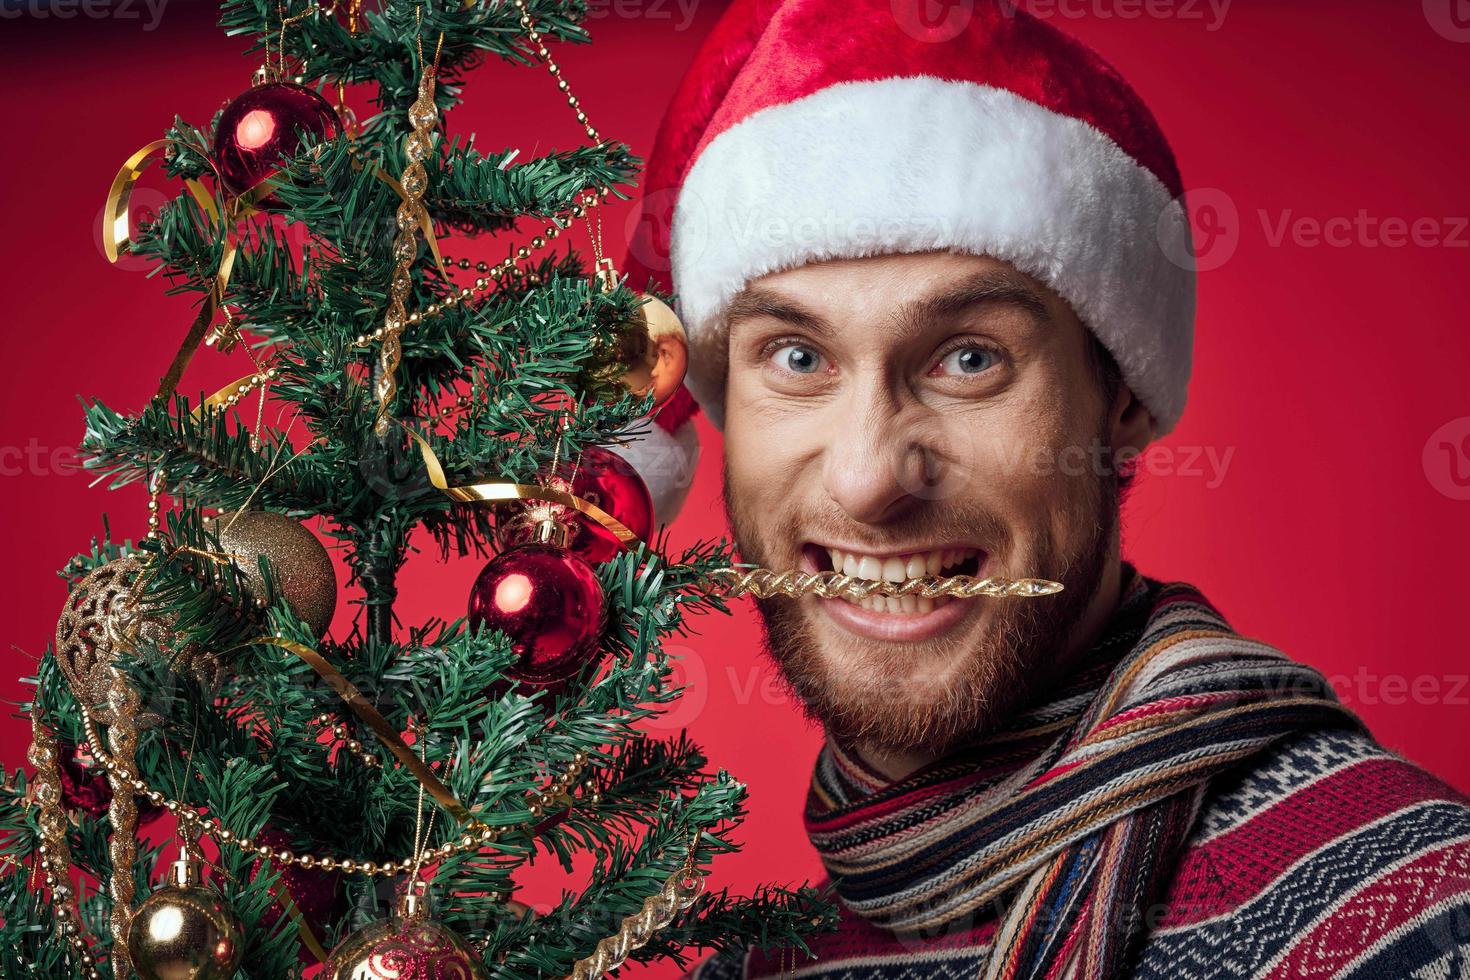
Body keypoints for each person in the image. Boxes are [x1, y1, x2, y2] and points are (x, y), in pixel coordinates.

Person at [615, 1, 1470, 977]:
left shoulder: (1409, 920)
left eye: (970, 357)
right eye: (798, 354)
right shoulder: (762, 962)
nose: (866, 478)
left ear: (1122, 397)